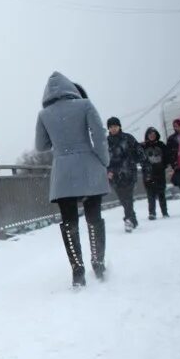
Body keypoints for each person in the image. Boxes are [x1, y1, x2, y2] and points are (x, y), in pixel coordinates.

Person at [34, 72, 110, 287]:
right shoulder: (85, 105)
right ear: (71, 89)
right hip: (89, 167)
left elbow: (41, 146)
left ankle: (78, 270)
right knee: (94, 219)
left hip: (63, 173)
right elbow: (99, 135)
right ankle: (98, 263)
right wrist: (103, 161)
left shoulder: (44, 114)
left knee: (69, 223)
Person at [105, 117, 145, 232]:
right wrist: (108, 171)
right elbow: (104, 159)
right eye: (111, 127)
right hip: (115, 176)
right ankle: (133, 219)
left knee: (128, 197)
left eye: (115, 126)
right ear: (109, 128)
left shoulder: (128, 138)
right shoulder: (106, 142)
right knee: (123, 199)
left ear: (119, 126)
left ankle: (128, 220)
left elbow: (140, 152)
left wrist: (133, 163)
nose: (113, 128)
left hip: (129, 173)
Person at [141, 127, 170, 219]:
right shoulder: (143, 146)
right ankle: (152, 213)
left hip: (160, 172)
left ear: (156, 135)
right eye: (150, 134)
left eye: (153, 134)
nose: (152, 136)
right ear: (147, 136)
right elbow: (137, 156)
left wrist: (164, 166)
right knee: (150, 194)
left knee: (161, 193)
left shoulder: (161, 145)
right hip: (148, 173)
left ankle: (164, 212)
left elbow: (167, 156)